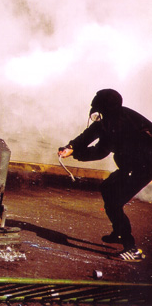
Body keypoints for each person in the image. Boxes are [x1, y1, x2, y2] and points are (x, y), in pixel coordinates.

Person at [59, 89, 152, 262]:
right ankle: (118, 232)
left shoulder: (119, 125)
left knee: (115, 202)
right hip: (131, 165)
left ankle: (131, 249)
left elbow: (100, 152)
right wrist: (71, 146)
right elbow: (90, 134)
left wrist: (74, 154)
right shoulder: (114, 118)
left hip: (144, 167)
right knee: (107, 188)